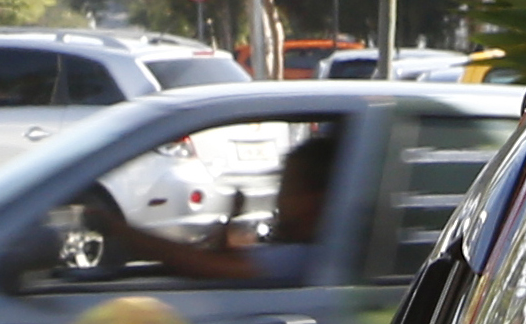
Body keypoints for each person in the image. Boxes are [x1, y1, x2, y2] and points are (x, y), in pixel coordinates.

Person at [84, 120, 346, 286]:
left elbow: (200, 265)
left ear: (315, 200)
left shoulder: (305, 258)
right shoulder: (299, 250)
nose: (280, 200)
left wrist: (118, 229)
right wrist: (231, 224)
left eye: (288, 189)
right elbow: (224, 260)